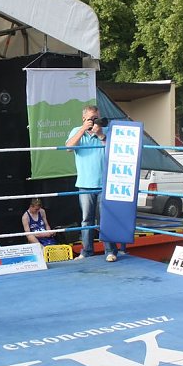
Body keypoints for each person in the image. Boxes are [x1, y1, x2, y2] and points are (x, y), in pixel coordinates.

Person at [65, 105, 108, 260]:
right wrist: (83, 129)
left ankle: (110, 251)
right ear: (84, 118)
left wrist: (101, 135)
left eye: (96, 117)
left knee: (106, 219)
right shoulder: (77, 131)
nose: (94, 121)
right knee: (86, 220)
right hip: (85, 184)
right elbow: (68, 148)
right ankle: (87, 251)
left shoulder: (105, 130)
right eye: (91, 118)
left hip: (105, 184)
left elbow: (115, 151)